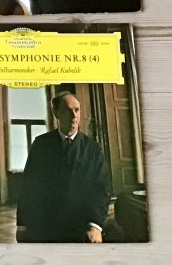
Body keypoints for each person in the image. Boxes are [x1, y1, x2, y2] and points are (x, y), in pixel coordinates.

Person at [16, 92, 112, 243]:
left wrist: (95, 225)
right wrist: (22, 225)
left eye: (77, 110)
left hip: (79, 226)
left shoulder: (93, 149)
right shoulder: (41, 145)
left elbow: (101, 189)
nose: (74, 116)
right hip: (45, 226)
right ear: (57, 113)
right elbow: (28, 187)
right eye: (68, 110)